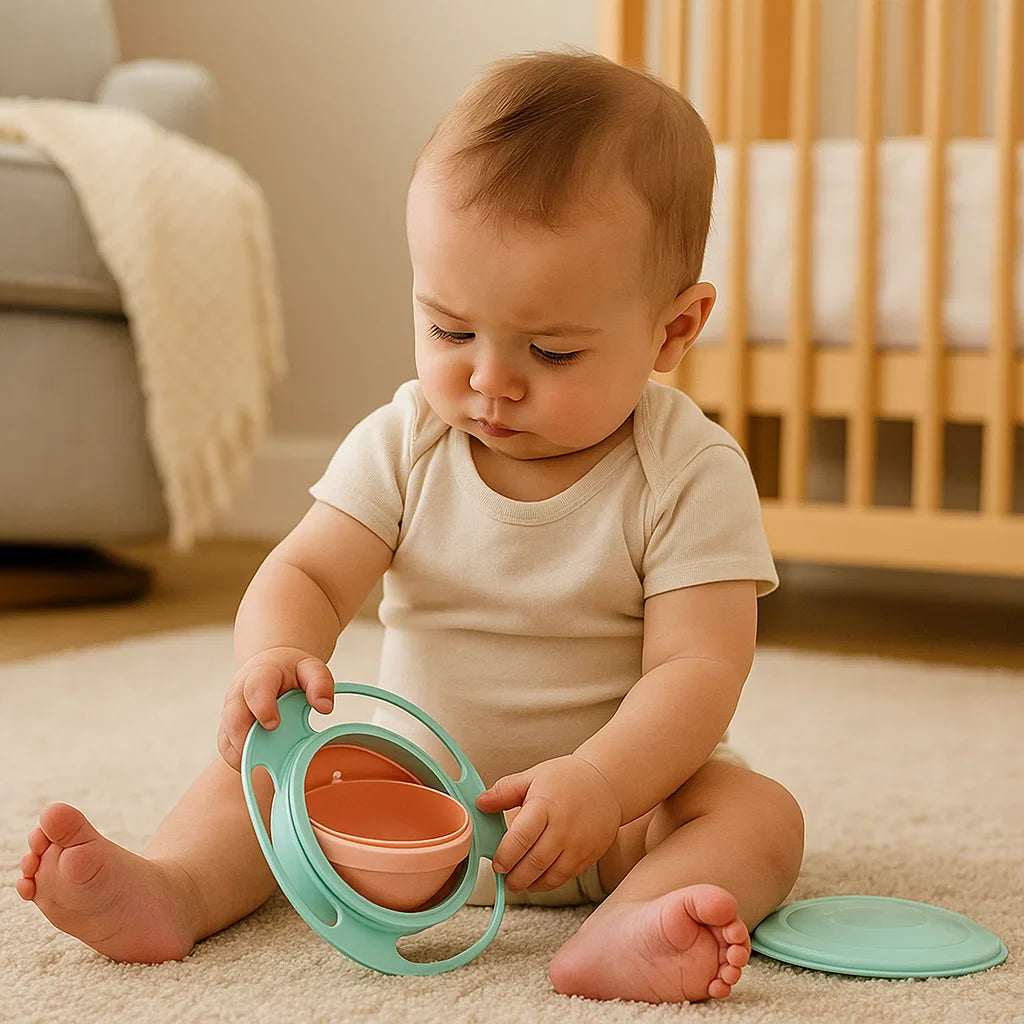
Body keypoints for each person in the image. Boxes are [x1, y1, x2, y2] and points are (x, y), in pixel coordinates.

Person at [17, 48, 804, 1004]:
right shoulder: (407, 443)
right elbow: (306, 574)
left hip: (617, 819)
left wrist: (601, 784)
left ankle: (631, 924)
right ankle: (172, 889)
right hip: (398, 798)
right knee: (260, 776)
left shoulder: (689, 472)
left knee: (755, 814)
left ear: (673, 332)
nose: (489, 379)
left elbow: (700, 671)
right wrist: (275, 655)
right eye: (449, 330)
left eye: (550, 350)